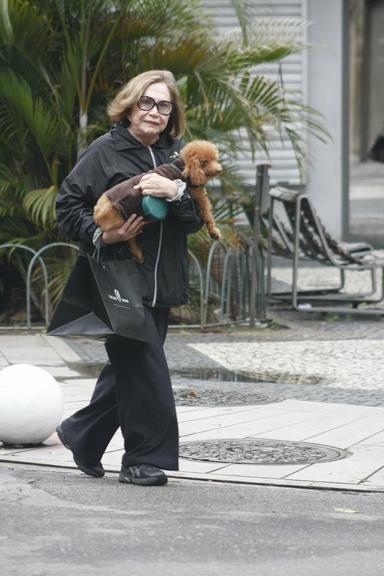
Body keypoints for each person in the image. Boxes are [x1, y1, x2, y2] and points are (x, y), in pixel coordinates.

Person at [55, 70, 203, 486]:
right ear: (130, 105)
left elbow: (191, 223)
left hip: (162, 283)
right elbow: (67, 206)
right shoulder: (106, 151)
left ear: (172, 113)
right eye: (147, 102)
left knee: (129, 371)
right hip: (119, 279)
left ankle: (82, 435)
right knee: (148, 369)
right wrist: (103, 233)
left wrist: (175, 194)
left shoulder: (179, 156)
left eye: (164, 105)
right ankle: (142, 459)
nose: (155, 112)